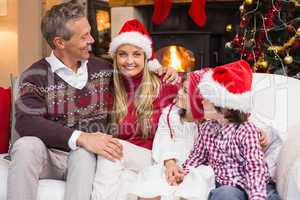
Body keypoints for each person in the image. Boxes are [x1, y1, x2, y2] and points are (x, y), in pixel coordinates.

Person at [7, 2, 178, 200]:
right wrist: (81, 137)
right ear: (60, 42)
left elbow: (134, 67)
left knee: (82, 153)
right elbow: (26, 121)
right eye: (84, 36)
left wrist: (164, 70)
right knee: (26, 145)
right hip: (50, 156)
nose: (92, 40)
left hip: (85, 156)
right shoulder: (35, 76)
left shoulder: (102, 69)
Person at [131, 60, 281, 200]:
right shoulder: (207, 128)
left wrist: (256, 196)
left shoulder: (245, 130)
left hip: (254, 183)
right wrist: (183, 172)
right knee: (223, 194)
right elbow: (196, 156)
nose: (202, 101)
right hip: (227, 186)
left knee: (269, 195)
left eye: (207, 99)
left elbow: (255, 167)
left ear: (223, 107)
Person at [91, 19, 181, 200]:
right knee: (126, 183)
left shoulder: (164, 84)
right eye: (123, 54)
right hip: (125, 164)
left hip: (154, 158)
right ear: (115, 57)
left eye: (136, 54)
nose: (129, 61)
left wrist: (175, 73)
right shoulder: (109, 88)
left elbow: (196, 94)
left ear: (146, 57)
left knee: (112, 148)